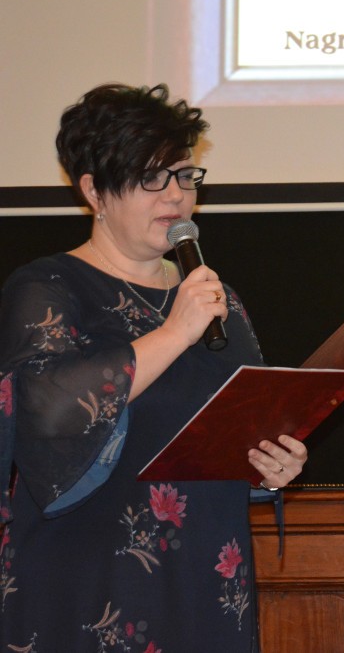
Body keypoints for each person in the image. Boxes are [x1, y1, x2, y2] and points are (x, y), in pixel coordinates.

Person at [0, 83, 307, 651]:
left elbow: (234, 423)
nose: (175, 195)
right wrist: (173, 333)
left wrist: (269, 465)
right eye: (150, 177)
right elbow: (49, 413)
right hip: (90, 580)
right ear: (93, 189)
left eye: (185, 176)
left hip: (205, 575)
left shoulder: (215, 297)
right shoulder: (49, 287)